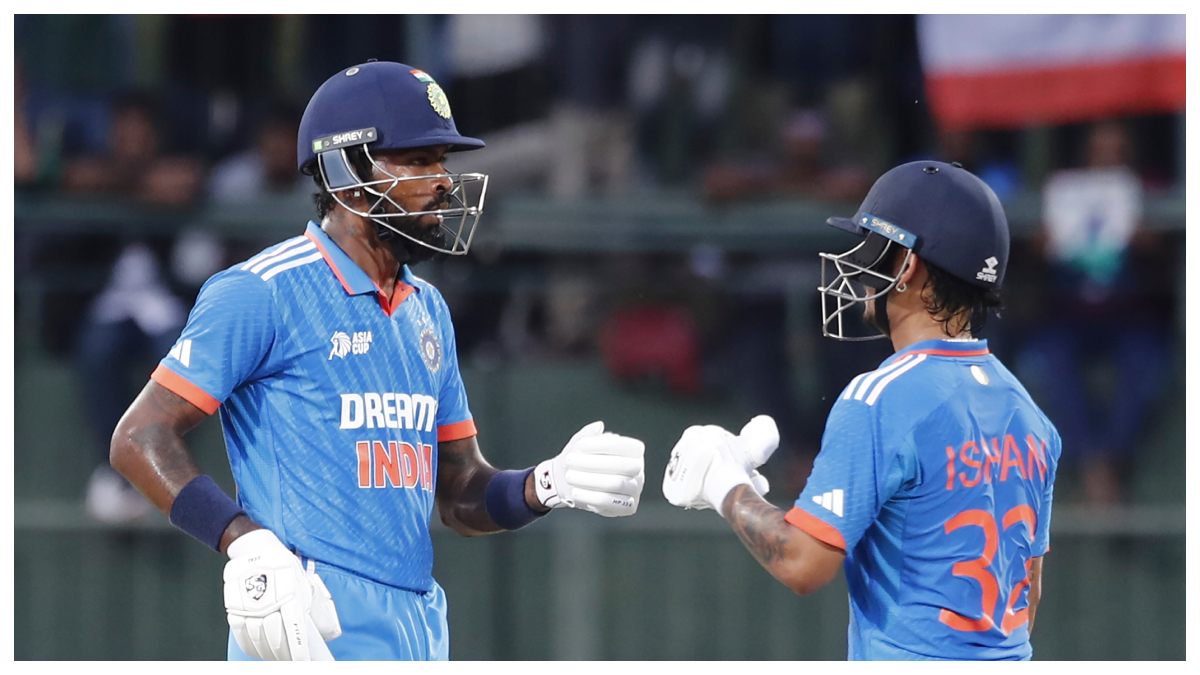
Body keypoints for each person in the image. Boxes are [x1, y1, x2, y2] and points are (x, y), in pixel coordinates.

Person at [110, 61, 646, 661]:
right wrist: (244, 543)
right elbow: (138, 436)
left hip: (418, 625)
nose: (442, 181)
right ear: (347, 176)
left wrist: (546, 485)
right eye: (417, 161)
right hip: (308, 618)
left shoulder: (429, 308)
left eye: (441, 160)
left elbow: (459, 492)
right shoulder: (262, 290)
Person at [662, 161, 1061, 660]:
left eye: (874, 245)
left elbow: (803, 563)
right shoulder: (1027, 411)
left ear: (908, 265)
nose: (858, 265)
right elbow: (1027, 593)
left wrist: (725, 484)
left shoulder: (880, 397)